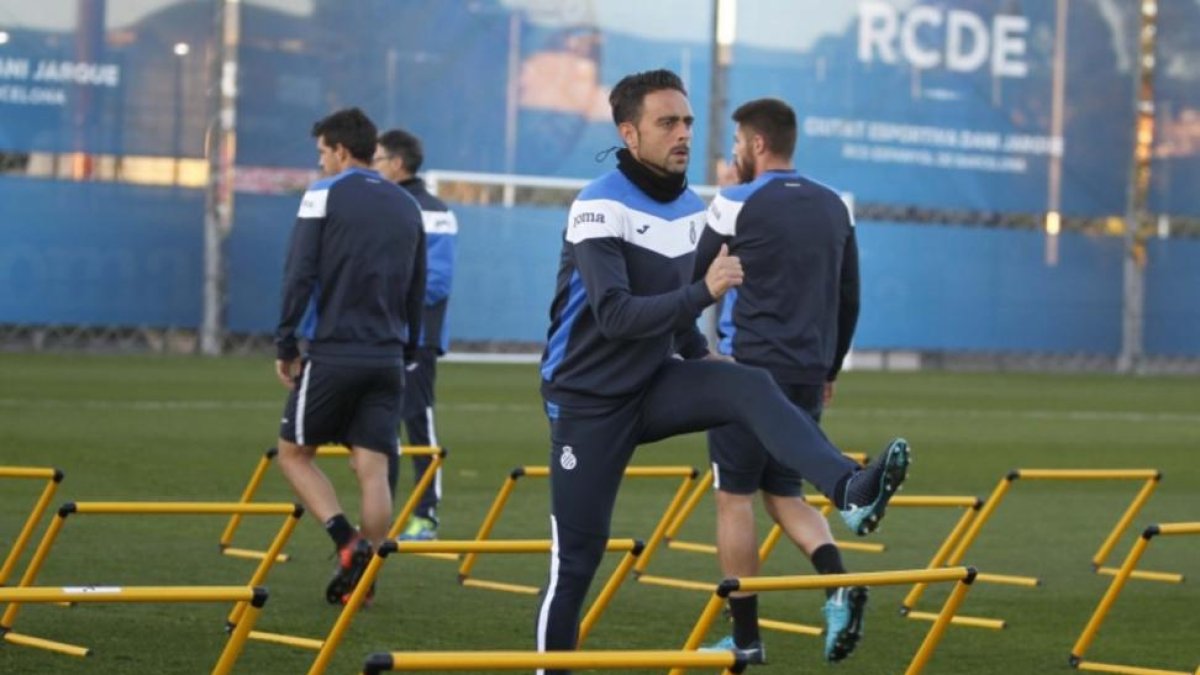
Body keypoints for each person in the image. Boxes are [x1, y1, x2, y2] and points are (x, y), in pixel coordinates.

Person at [535, 69, 909, 671]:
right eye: (667, 123)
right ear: (629, 134)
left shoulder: (689, 206)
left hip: (651, 382)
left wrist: (699, 353)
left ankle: (850, 489)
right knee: (577, 559)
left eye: (686, 121)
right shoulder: (597, 204)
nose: (683, 133)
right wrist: (704, 295)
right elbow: (615, 315)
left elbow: (673, 309)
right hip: (587, 400)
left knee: (748, 382)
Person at [694, 98, 866, 663]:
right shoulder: (835, 206)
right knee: (785, 492)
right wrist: (831, 370)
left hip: (748, 375)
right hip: (807, 372)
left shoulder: (735, 202)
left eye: (739, 143)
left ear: (757, 145)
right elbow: (849, 298)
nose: (734, 153)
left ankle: (745, 639)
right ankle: (839, 584)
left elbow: (694, 277)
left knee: (733, 497)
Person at [273, 107, 427, 604]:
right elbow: (417, 285)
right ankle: (368, 577)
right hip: (388, 356)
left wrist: (284, 342)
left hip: (336, 351)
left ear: (341, 150)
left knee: (293, 454)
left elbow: (299, 271)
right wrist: (407, 348)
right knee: (373, 470)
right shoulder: (407, 205)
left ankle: (347, 541)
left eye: (321, 152)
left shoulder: (324, 194)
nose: (319, 163)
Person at [375, 128, 459, 541]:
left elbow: (438, 281)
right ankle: (380, 516)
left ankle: (426, 515)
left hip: (418, 337)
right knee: (381, 427)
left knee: (417, 422)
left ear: (396, 163)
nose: (372, 168)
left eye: (376, 160)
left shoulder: (434, 211)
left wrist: (383, 296)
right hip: (383, 336)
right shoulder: (384, 207)